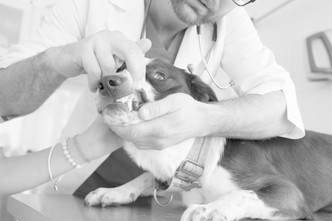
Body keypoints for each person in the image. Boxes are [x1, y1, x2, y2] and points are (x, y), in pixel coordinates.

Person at [0, 0, 305, 196]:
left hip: (166, 198)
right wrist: (58, 60)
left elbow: (281, 107)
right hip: (79, 179)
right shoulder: (90, 4)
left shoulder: (228, 18)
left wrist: (203, 119)